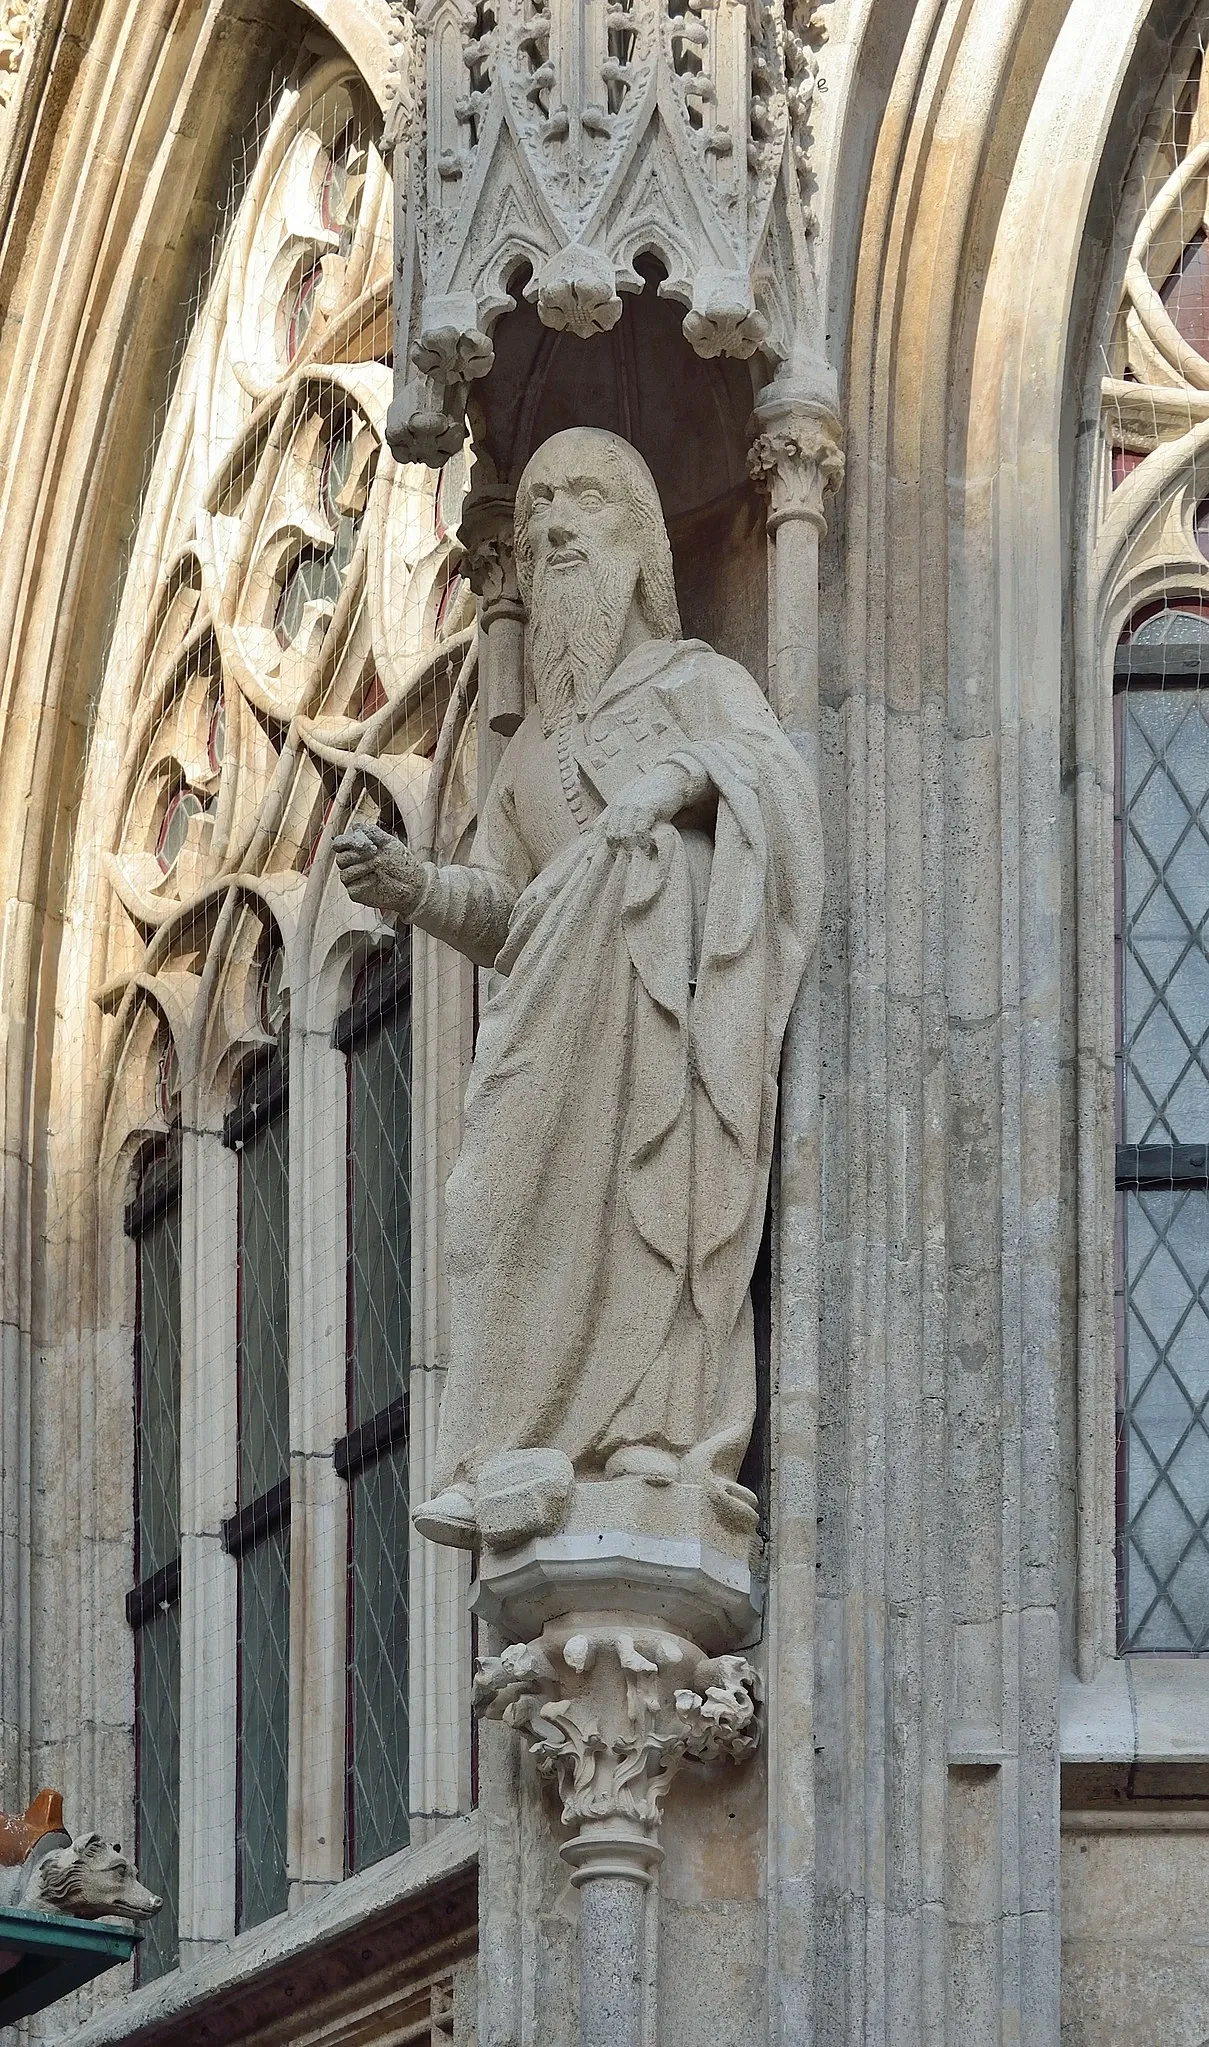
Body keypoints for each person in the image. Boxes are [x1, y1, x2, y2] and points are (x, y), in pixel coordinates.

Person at [334, 427, 822, 1549]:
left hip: (663, 1023)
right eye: (540, 504)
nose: (553, 524)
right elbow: (509, 913)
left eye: (586, 501)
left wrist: (677, 782)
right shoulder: (525, 759)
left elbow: (780, 795)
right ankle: (512, 1439)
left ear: (643, 549)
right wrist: (417, 888)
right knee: (486, 1200)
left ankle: (659, 1431)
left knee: (664, 1201)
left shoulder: (699, 682)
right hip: (551, 1045)